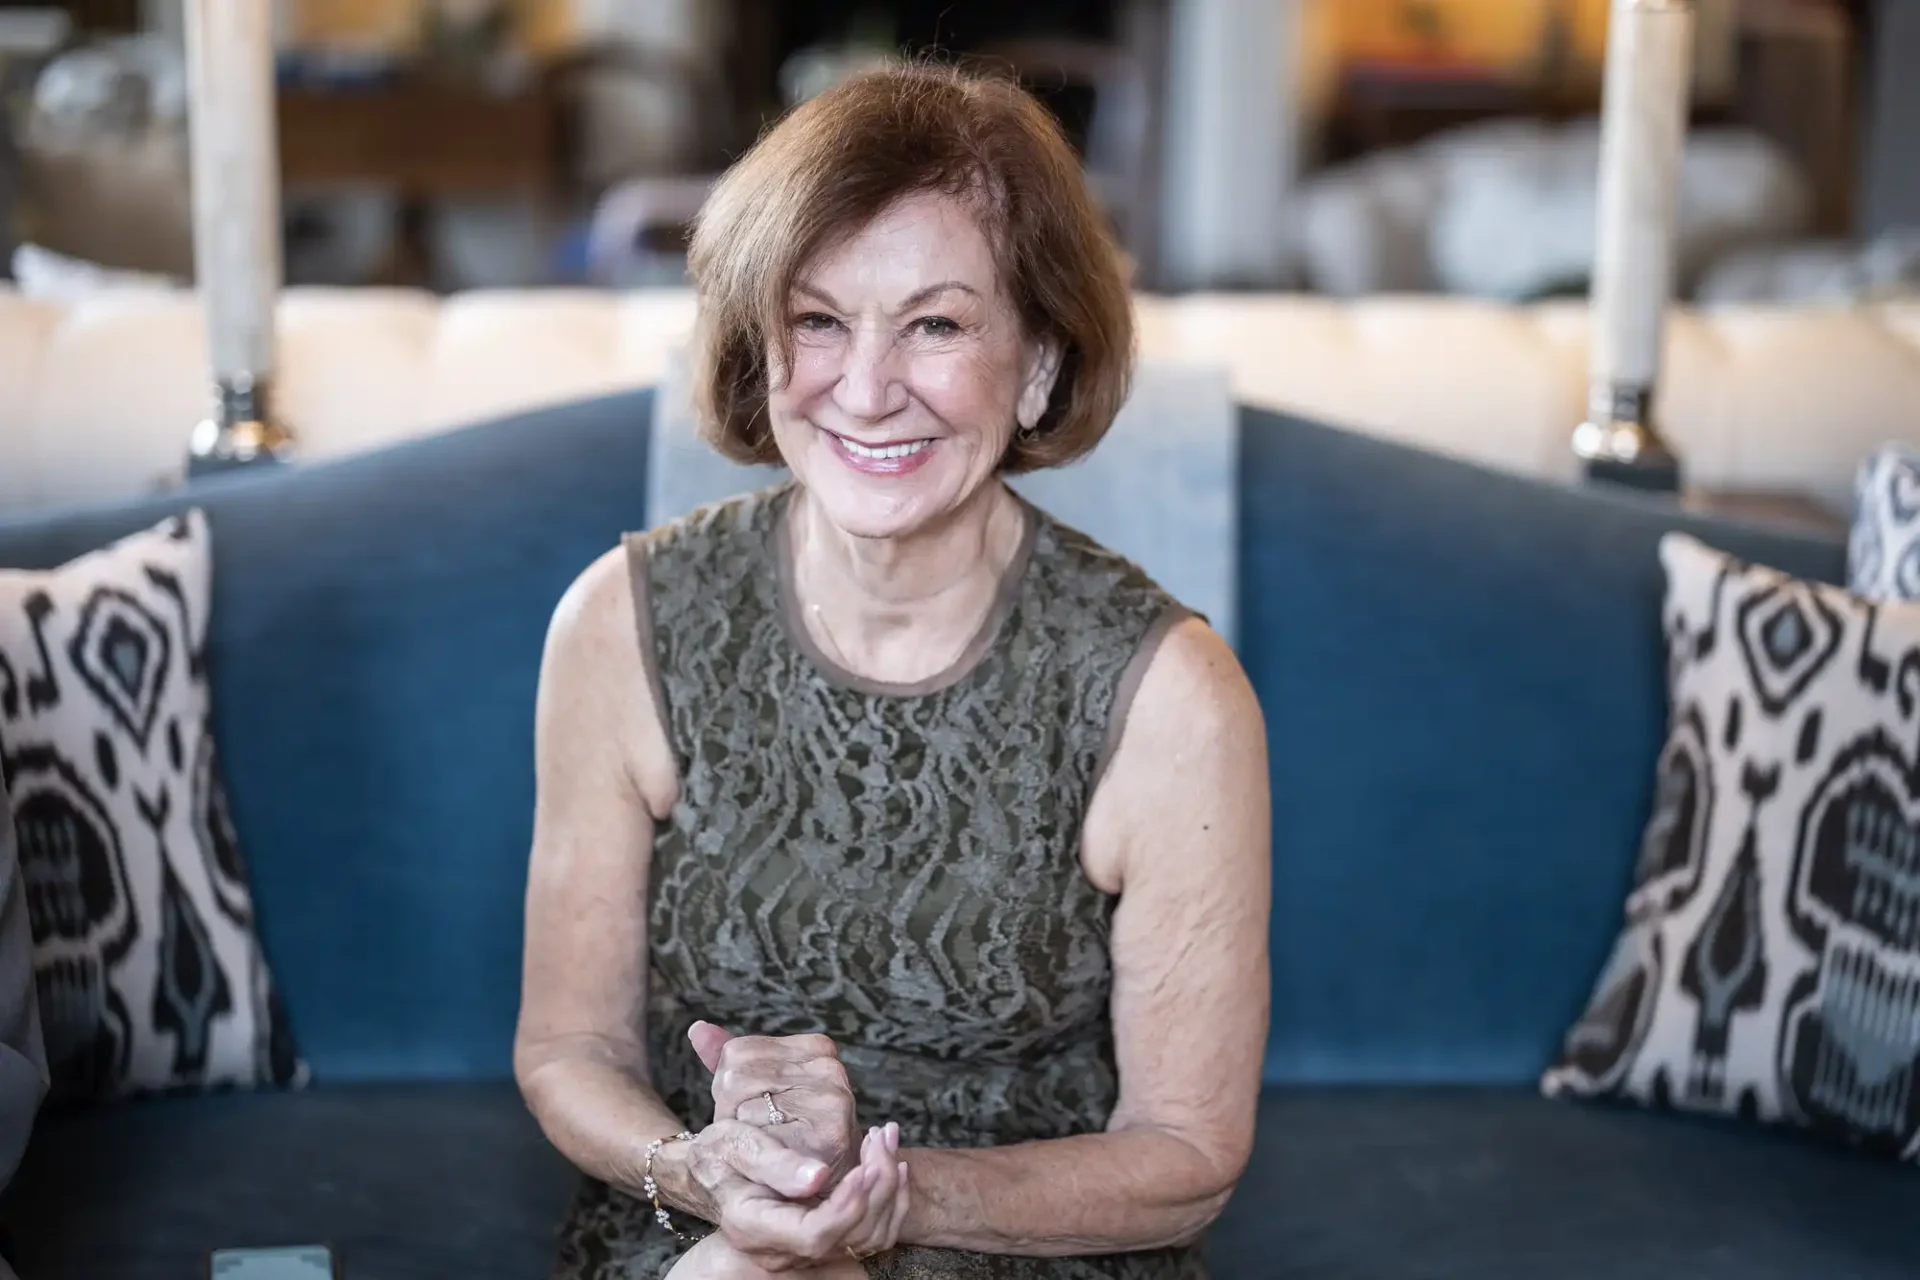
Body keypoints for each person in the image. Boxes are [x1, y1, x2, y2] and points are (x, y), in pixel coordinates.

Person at [516, 62, 1271, 1279]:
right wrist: (706, 1172)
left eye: (937, 322)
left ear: (1035, 362)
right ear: (761, 344)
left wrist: (880, 1195)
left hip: (1021, 1247)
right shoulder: (620, 625)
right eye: (818, 319)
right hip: (710, 1225)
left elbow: (1186, 1152)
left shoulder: (1173, 695)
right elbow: (566, 1047)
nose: (866, 389)